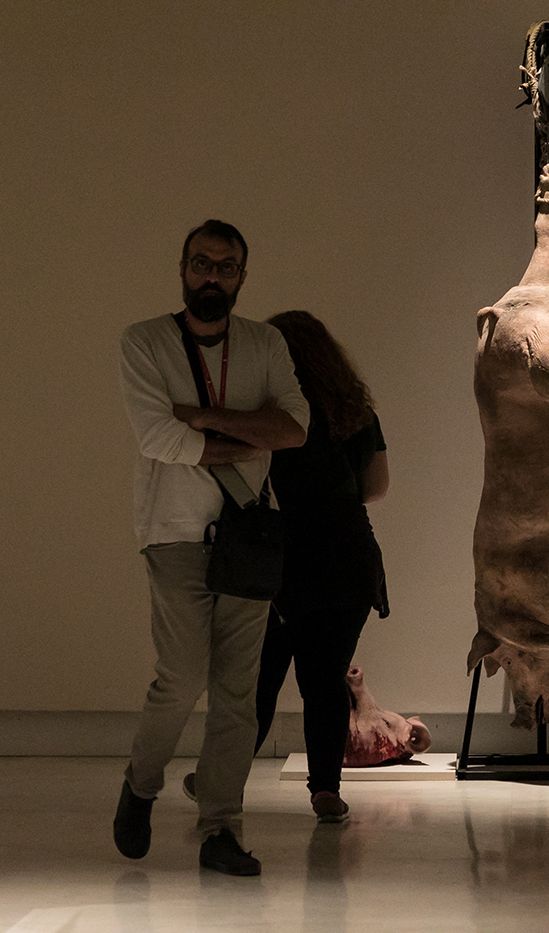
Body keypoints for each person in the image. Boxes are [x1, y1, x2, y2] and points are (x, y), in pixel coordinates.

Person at [115, 220, 309, 875]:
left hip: (247, 534)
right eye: (202, 263)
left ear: (241, 277)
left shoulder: (265, 343)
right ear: (182, 269)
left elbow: (294, 428)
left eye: (226, 267)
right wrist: (247, 437)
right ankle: (141, 784)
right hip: (172, 532)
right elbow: (156, 438)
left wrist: (203, 418)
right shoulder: (144, 341)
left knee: (237, 691)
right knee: (181, 678)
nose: (212, 277)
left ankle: (221, 827)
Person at [250, 310, 391, 823]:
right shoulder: (355, 412)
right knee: (325, 681)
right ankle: (326, 790)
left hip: (281, 558)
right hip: (347, 556)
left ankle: (224, 777)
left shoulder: (266, 414)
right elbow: (376, 487)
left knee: (257, 681)